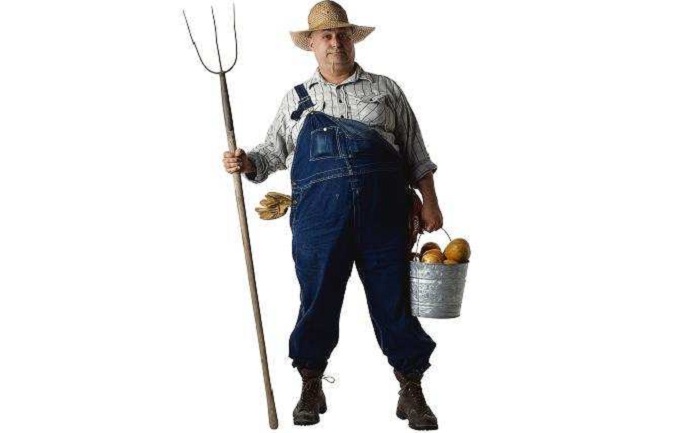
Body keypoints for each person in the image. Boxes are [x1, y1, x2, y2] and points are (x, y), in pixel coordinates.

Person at [223, 1, 442, 429]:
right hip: (319, 221)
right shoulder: (296, 99)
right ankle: (310, 383)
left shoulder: (385, 89)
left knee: (394, 301)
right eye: (326, 35)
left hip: (384, 216)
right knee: (318, 300)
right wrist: (246, 161)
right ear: (312, 44)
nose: (335, 42)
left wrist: (430, 200)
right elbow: (271, 154)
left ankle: (411, 388)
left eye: (342, 34)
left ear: (352, 40)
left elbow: (416, 152)